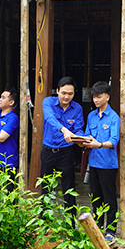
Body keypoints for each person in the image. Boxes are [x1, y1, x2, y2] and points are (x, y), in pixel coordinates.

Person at [82, 81, 120, 241]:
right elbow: (86, 135)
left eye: (99, 97)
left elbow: (114, 141)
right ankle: (97, 229)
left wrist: (98, 144)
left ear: (107, 97)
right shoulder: (91, 116)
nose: (96, 100)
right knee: (96, 199)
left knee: (110, 199)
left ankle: (111, 231)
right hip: (94, 163)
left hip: (108, 165)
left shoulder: (113, 117)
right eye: (94, 97)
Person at [40, 76, 84, 208]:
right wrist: (64, 130)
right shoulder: (47, 102)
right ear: (57, 91)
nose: (66, 97)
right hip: (48, 151)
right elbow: (50, 118)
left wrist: (80, 139)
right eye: (64, 93)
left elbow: (78, 128)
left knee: (69, 188)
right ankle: (44, 222)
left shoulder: (77, 108)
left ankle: (70, 223)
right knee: (46, 188)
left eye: (70, 94)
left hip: (66, 152)